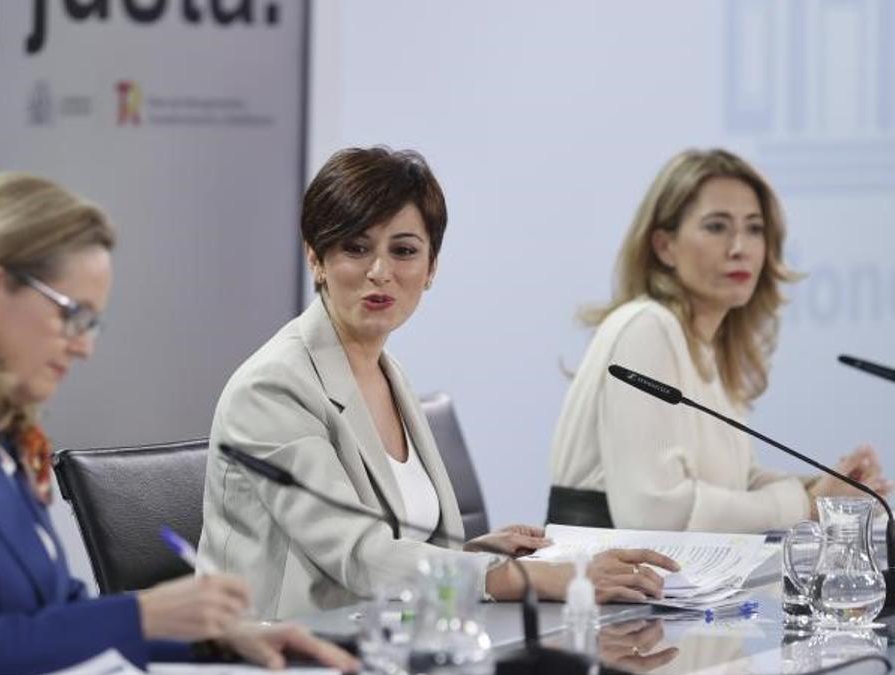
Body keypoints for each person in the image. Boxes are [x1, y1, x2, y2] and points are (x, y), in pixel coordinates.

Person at [0, 173, 358, 675]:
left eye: (93, 323)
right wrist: (144, 613)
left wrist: (220, 642)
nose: (85, 347)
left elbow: (49, 614)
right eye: (73, 315)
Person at [198, 147, 679, 621]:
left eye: (403, 251)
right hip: (279, 654)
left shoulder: (387, 370)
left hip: (383, 638)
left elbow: (389, 544)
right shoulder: (273, 387)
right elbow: (356, 554)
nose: (380, 272)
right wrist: (521, 577)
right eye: (356, 248)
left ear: (430, 269)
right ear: (316, 260)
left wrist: (477, 552)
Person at [547, 148, 890, 532]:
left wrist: (825, 491)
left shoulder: (710, 347)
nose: (739, 248)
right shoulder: (647, 328)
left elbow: (733, 486)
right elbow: (654, 513)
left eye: (754, 228)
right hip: (600, 584)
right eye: (716, 227)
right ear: (664, 246)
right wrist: (802, 505)